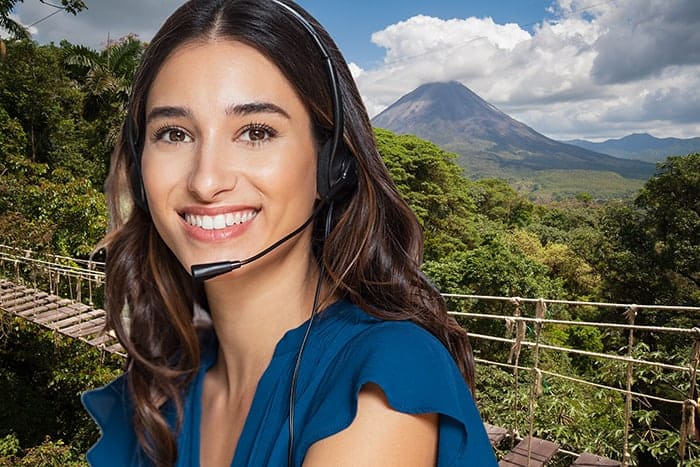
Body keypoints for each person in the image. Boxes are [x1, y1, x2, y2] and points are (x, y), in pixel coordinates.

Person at [81, 0, 497, 465]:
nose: (205, 180)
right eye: (175, 134)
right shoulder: (171, 381)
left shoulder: (382, 383)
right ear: (139, 171)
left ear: (331, 166)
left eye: (256, 132)